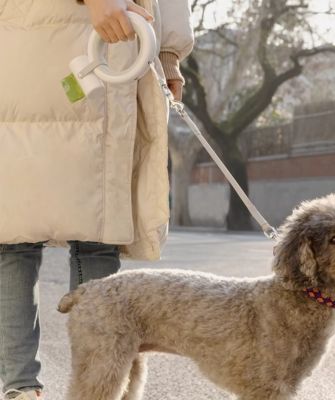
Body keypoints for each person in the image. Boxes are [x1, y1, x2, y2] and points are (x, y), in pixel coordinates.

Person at [0, 0, 194, 399]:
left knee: (97, 231)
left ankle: (96, 387)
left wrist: (170, 53)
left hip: (117, 47)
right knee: (15, 235)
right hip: (30, 38)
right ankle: (21, 387)